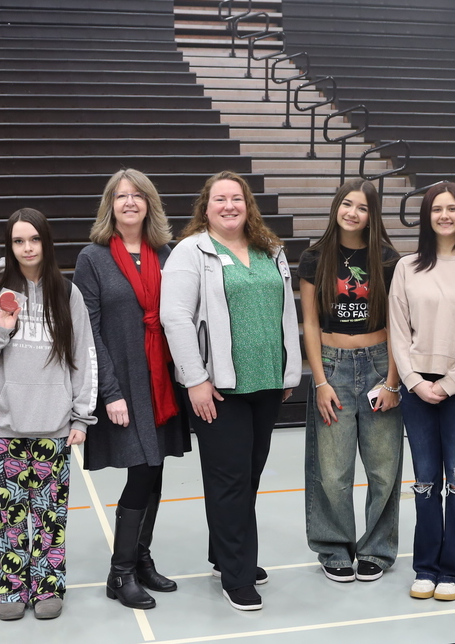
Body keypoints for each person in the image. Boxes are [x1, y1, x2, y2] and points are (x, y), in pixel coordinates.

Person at [161, 170, 301, 612]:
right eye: (219, 199)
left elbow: (284, 312)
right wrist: (196, 380)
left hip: (266, 382)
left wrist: (287, 372)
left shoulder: (269, 249)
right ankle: (237, 575)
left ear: (247, 205)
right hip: (219, 388)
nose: (228, 206)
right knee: (229, 480)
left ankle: (225, 553)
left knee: (249, 476)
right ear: (206, 208)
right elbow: (175, 317)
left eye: (236, 199)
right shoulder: (191, 251)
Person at [0, 208, 97, 622]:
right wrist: (0, 328)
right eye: (18, 241)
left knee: (50, 517)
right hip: (0, 423)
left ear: (45, 242)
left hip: (53, 423)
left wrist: (80, 417)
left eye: (34, 239)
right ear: (9, 245)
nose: (27, 247)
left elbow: (82, 358)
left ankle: (49, 585)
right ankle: (12, 586)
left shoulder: (67, 294)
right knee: (8, 518)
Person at [74, 169, 191, 610]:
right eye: (120, 196)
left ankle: (141, 560)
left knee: (156, 469)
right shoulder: (93, 257)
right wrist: (110, 392)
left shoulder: (168, 254)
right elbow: (89, 330)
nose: (128, 202)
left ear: (149, 203)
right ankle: (119, 572)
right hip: (123, 381)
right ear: (110, 205)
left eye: (137, 195)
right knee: (142, 469)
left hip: (162, 381)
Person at [388, 181, 455, 602]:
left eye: (452, 208)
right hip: (417, 389)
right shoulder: (407, 267)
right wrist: (414, 383)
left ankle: (454, 570)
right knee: (424, 482)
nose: (445, 216)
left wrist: (451, 384)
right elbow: (399, 331)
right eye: (437, 209)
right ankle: (426, 567)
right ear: (427, 216)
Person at [299, 178, 403, 583]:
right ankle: (334, 547)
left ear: (371, 215)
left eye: (361, 207)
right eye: (347, 204)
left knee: (383, 468)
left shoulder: (389, 260)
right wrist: (320, 381)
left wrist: (393, 382)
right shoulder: (314, 257)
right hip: (333, 366)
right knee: (332, 469)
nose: (352, 212)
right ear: (336, 207)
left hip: (379, 364)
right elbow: (308, 322)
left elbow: (398, 325)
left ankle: (376, 548)